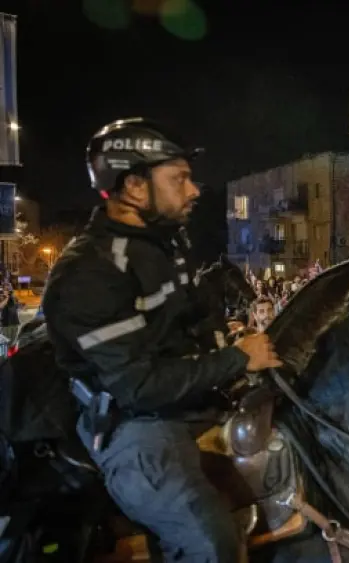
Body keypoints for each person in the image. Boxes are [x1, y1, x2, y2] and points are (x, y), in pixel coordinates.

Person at [43, 118, 282, 562]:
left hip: (191, 399)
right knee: (210, 540)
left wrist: (229, 342)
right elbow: (139, 385)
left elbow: (196, 322)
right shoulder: (89, 273)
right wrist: (237, 359)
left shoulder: (167, 245)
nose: (194, 191)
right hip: (134, 427)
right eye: (179, 179)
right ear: (134, 188)